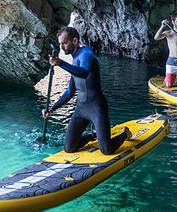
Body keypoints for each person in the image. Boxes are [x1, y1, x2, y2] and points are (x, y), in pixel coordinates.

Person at [42, 26, 130, 155]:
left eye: (64, 43)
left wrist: (60, 63)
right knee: (69, 148)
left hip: (96, 106)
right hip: (81, 108)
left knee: (106, 150)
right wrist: (52, 109)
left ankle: (125, 134)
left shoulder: (87, 54)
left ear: (75, 41)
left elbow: (83, 73)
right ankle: (94, 135)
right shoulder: (74, 59)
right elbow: (70, 92)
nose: (61, 47)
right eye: (60, 44)